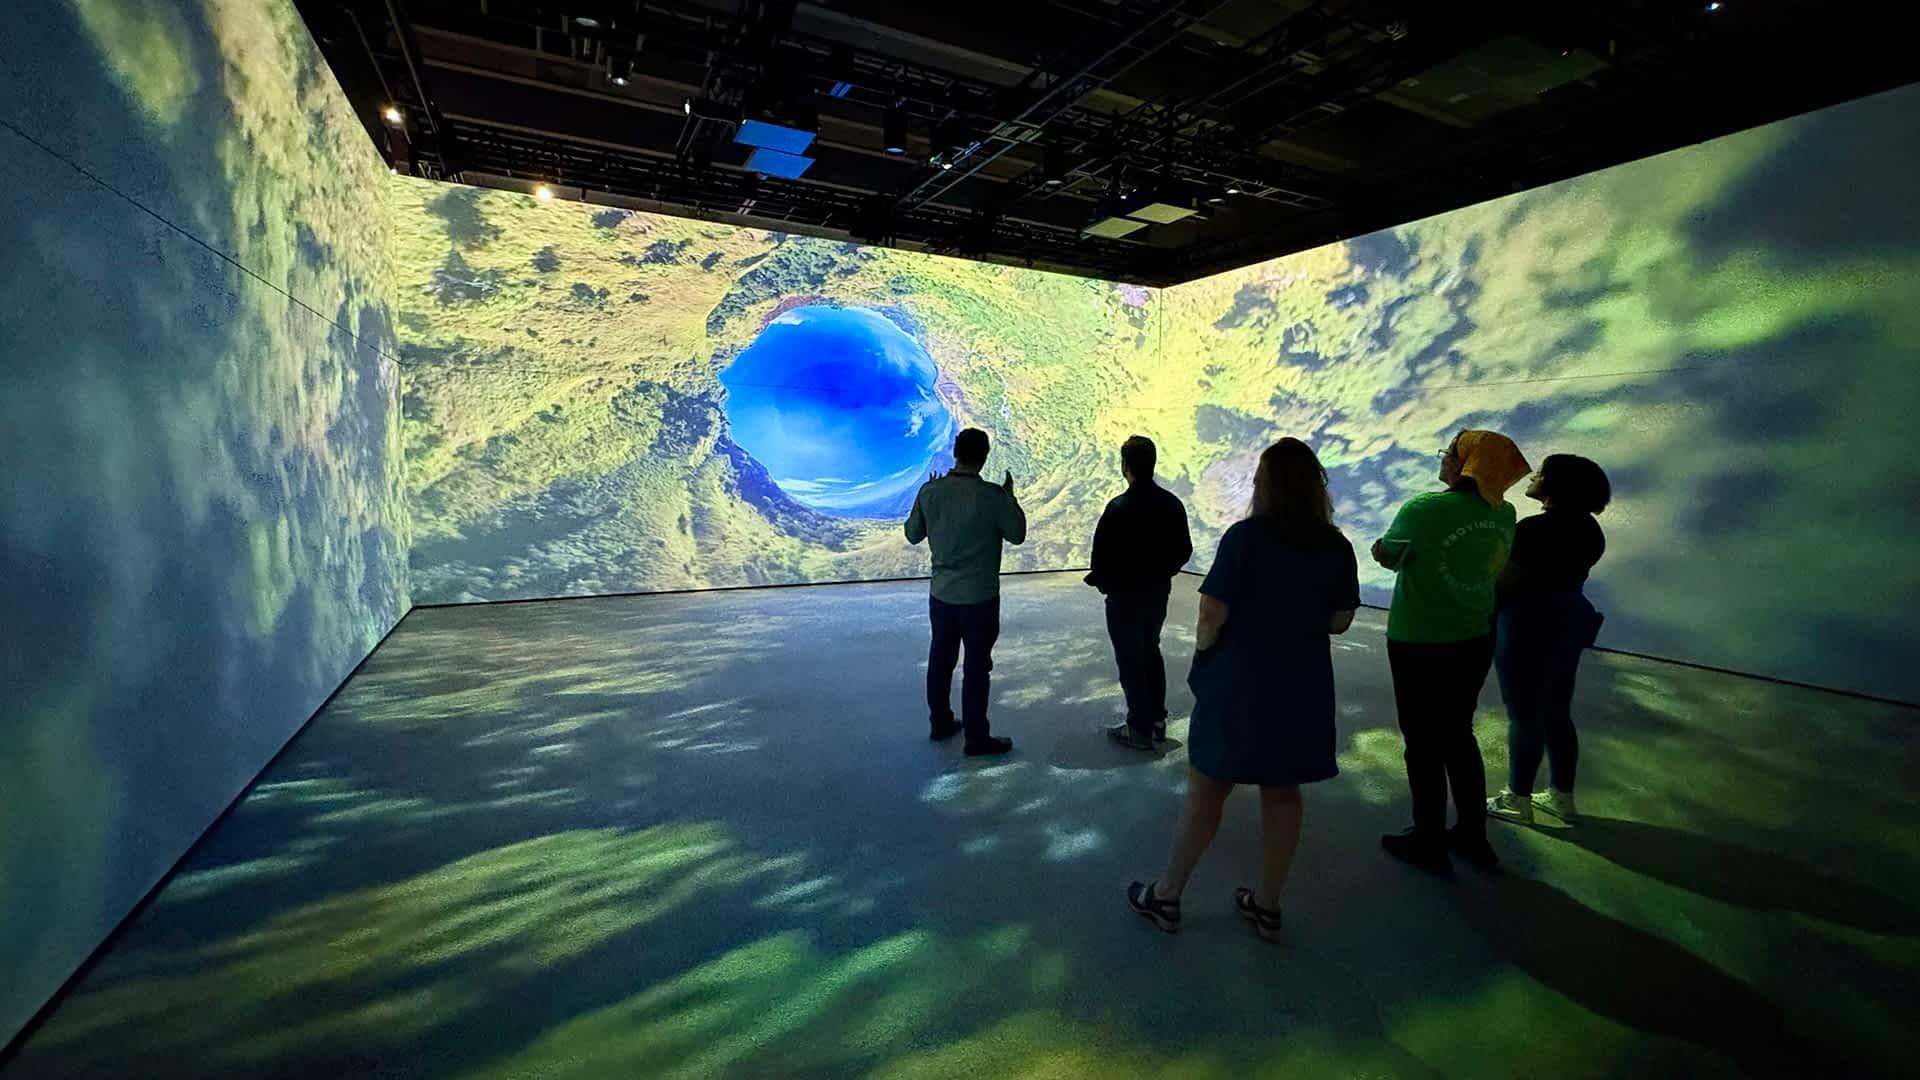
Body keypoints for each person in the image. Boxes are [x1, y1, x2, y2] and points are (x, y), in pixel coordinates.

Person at [1127, 438, 1360, 942]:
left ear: (1265, 484)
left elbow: (1211, 614)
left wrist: (1206, 655)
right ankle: (1268, 906)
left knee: (1208, 791)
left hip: (1240, 682)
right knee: (1283, 792)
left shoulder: (1245, 538)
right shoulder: (1336, 545)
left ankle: (1167, 895)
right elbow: (1341, 620)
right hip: (1301, 685)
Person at [1371, 429, 1528, 874]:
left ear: (1465, 464)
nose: (1443, 459)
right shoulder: (1506, 513)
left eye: (1451, 453)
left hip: (1418, 641)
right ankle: (1472, 836)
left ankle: (1428, 840)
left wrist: (1378, 546)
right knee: (1459, 735)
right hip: (1475, 638)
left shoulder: (1424, 508)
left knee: (1422, 743)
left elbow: (1389, 555)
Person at [1487, 454, 1610, 826]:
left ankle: (1517, 799)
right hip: (1568, 620)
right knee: (1557, 710)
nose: (1533, 477)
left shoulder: (1532, 529)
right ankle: (1561, 797)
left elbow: (1505, 580)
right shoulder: (1591, 530)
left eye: (1540, 473)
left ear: (1557, 487)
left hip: (1527, 620)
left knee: (1524, 712)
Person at [904, 427, 1027, 756]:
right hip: (981, 599)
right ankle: (976, 737)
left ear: (955, 453)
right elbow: (1017, 534)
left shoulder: (931, 492)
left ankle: (940, 722)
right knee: (976, 667)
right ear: (984, 457)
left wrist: (927, 497)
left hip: (942, 596)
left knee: (940, 661)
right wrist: (1010, 498)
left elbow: (912, 535)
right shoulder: (993, 496)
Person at [1086, 435, 1194, 751]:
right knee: (1150, 650)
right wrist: (1163, 572)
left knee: (1131, 660)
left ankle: (1139, 729)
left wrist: (1108, 584)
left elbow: (1100, 561)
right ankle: (1157, 721)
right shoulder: (1172, 504)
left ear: (1125, 467)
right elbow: (1184, 550)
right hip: (1157, 592)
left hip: (1123, 598)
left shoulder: (1117, 509)